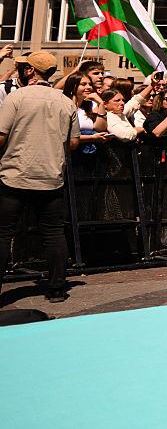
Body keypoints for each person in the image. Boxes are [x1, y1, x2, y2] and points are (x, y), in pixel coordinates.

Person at [0, 51, 80, 303]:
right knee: (53, 233)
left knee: (3, 233)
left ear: (30, 71)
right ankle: (56, 288)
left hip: (15, 175)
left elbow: (1, 135)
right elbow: (73, 143)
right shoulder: (66, 102)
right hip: (50, 177)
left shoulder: (17, 97)